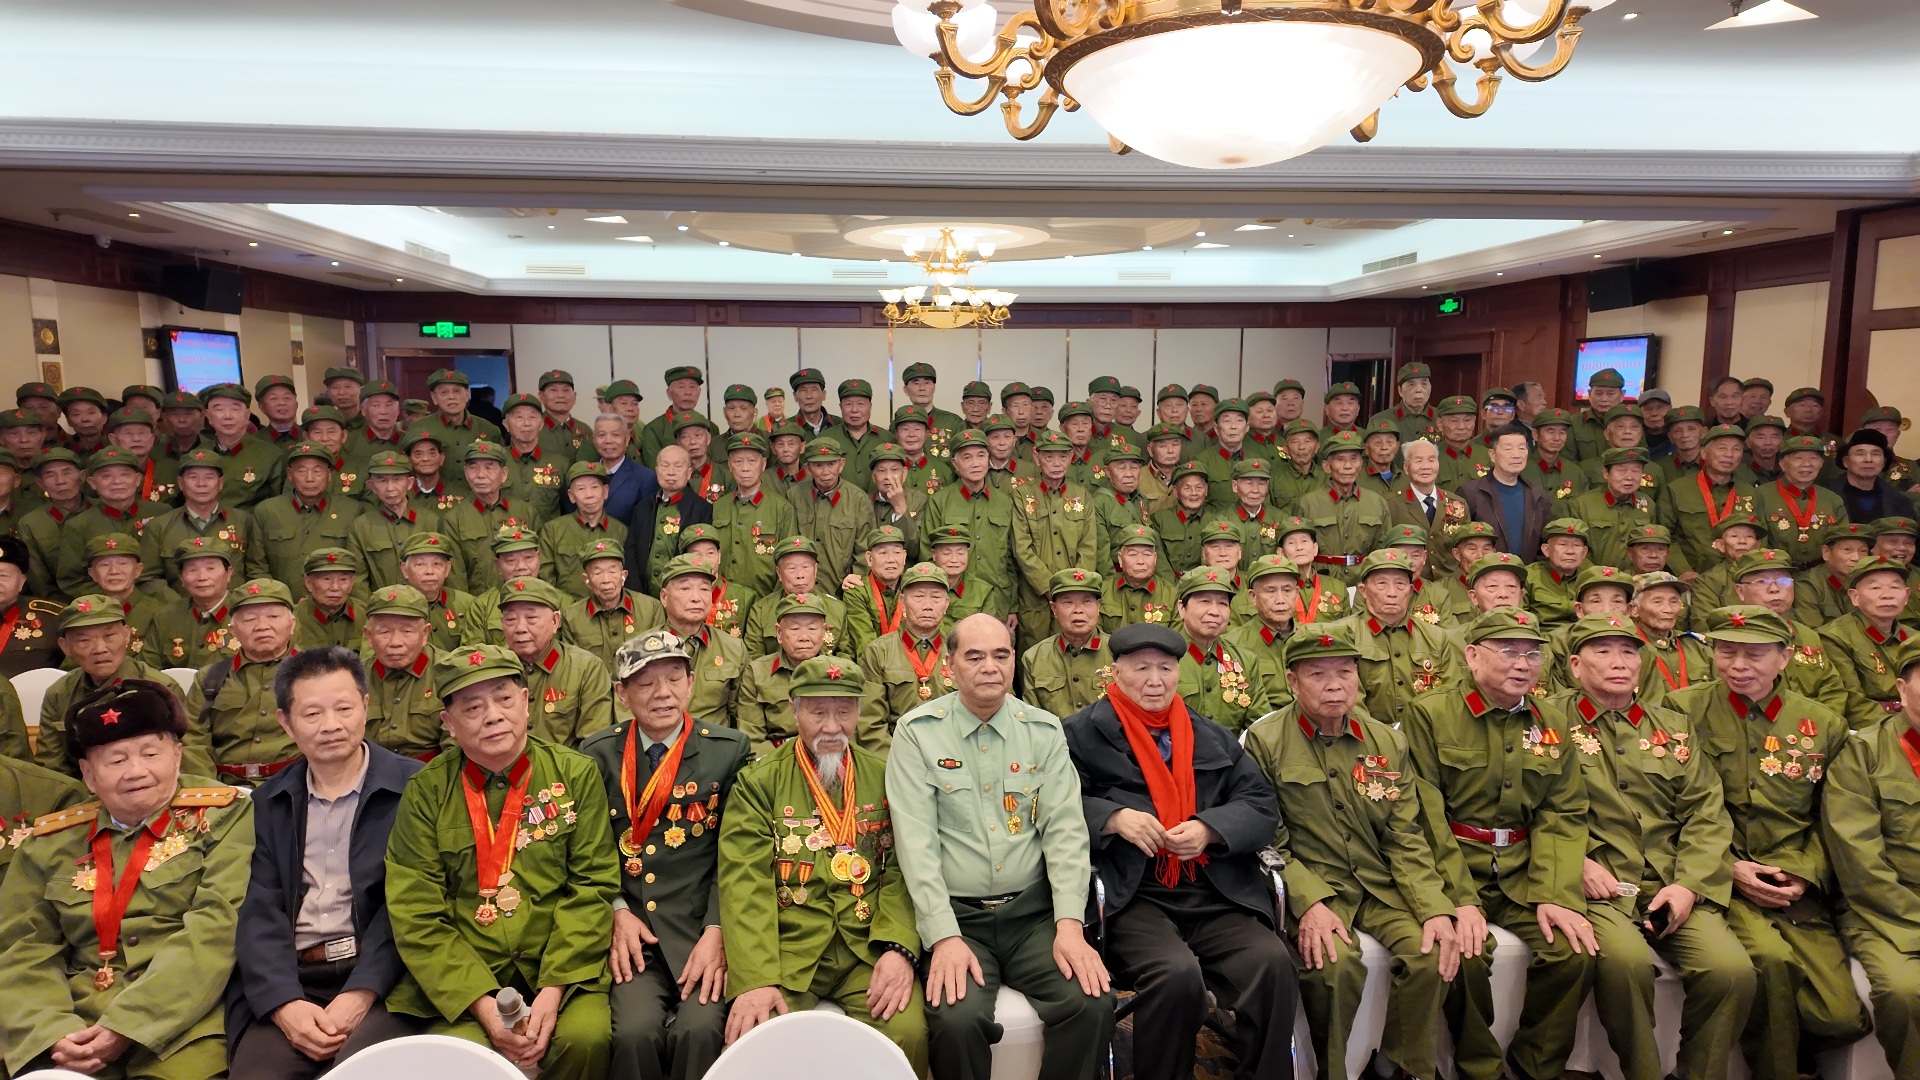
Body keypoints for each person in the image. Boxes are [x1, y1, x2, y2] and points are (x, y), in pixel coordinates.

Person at [1048, 620, 1296, 1080]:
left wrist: (1210, 829)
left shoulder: (1210, 734)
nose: (1154, 680)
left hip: (1211, 888)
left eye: (1165, 668)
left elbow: (1261, 804)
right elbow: (1054, 802)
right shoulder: (1077, 734)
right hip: (1132, 894)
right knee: (1176, 974)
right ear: (1116, 672)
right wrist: (1112, 818)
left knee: (1272, 963)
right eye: (1141, 668)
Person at [1242, 627, 1486, 1080]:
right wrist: (1309, 903)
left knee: (1432, 952)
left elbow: (1405, 834)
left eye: (1345, 672)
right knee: (1333, 967)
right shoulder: (1265, 740)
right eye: (1318, 675)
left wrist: (1433, 908)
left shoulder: (1386, 741)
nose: (1335, 685)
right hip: (1315, 884)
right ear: (1292, 682)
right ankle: (1332, 1072)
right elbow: (1266, 839)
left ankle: (1396, 1067)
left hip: (1378, 883)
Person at [886, 613, 1113, 1080]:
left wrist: (1070, 925)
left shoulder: (1043, 731)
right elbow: (916, 845)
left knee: (1091, 1003)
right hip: (959, 918)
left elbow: (1066, 833)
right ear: (949, 666)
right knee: (956, 1020)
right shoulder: (917, 732)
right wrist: (943, 937)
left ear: (1013, 660)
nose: (990, 667)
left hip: (1033, 917)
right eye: (974, 657)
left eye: (1000, 655)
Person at [382, 643, 616, 1078]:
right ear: (449, 723)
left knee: (586, 1038)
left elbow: (592, 885)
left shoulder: (575, 774)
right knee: (463, 1057)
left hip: (559, 967)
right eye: (472, 708)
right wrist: (481, 1003)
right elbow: (415, 911)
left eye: (504, 699)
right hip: (467, 976)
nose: (493, 716)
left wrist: (554, 987)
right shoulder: (427, 791)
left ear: (526, 702)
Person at [0, 679, 252, 1078]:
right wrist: (48, 1030)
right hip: (73, 1023)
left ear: (177, 755)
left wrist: (128, 1024)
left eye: (150, 753)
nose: (136, 771)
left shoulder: (224, 815)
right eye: (116, 761)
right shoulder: (50, 840)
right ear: (88, 774)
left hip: (185, 1025)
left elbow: (217, 928)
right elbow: (22, 946)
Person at [1545, 614, 1756, 1080]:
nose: (1619, 662)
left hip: (1668, 880)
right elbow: (1527, 807)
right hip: (1597, 885)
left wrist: (1689, 886)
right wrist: (1574, 861)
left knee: (1731, 972)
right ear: (1576, 666)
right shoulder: (1546, 723)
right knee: (1627, 965)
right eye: (1603, 652)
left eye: (1629, 651)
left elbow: (1706, 812)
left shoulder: (1673, 727)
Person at [1667, 606, 1869, 1080]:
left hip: (1794, 882)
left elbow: (1836, 816)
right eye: (1726, 651)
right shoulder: (1680, 709)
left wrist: (1805, 873)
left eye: (1754, 654)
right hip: (1721, 877)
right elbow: (1665, 805)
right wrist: (1726, 867)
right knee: (1769, 960)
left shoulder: (1822, 723)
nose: (1738, 665)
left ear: (1785, 657)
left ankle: (1796, 1051)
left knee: (1839, 1017)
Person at [1404, 607, 1596, 1080]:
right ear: (1472, 655)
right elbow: (1426, 816)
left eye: (1533, 654)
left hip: (1523, 871)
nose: (1523, 664)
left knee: (1573, 952)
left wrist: (1555, 893)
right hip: (1457, 866)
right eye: (1509, 651)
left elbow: (1563, 811)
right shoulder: (1430, 714)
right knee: (1464, 954)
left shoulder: (1551, 721)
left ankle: (1534, 1065)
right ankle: (1479, 1067)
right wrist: (1459, 899)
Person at [718, 654, 929, 1070]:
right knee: (758, 1043)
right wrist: (757, 978)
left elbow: (905, 869)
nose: (832, 727)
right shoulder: (759, 783)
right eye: (818, 713)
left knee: (908, 1032)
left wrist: (898, 948)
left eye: (844, 712)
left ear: (859, 712)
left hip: (866, 950)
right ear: (794, 710)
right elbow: (744, 883)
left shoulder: (885, 775)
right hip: (789, 953)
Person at [226, 648, 425, 1080]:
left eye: (344, 709)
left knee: (364, 1071)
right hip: (296, 979)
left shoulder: (416, 788)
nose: (331, 725)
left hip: (387, 979)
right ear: (286, 722)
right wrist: (284, 1003)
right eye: (312, 713)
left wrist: (363, 991)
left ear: (366, 707)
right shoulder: (267, 803)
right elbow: (257, 910)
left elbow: (411, 906)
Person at [579, 631, 751, 1080]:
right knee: (633, 1033)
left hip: (701, 930)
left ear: (691, 683)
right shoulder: (597, 754)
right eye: (645, 683)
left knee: (701, 1030)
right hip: (635, 935)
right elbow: (588, 852)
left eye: (674, 678)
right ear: (622, 693)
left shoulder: (727, 750)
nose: (662, 693)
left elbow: (737, 857)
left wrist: (718, 929)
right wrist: (616, 909)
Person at [1822, 637, 1920, 1078]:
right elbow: (1859, 863)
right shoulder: (1864, 752)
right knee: (1904, 991)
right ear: (1901, 689)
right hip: (1883, 911)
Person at [37, 593, 200, 778]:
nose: (100, 649)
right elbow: (51, 766)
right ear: (66, 647)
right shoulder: (59, 694)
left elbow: (184, 757)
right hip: (81, 790)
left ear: (126, 635)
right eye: (84, 640)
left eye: (109, 636)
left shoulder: (159, 688)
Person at [189, 579, 302, 787]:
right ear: (233, 630)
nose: (262, 627)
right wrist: (209, 789)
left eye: (273, 617)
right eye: (250, 619)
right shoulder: (210, 677)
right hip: (224, 787)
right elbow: (192, 738)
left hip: (297, 784)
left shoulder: (317, 673)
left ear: (292, 624)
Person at [1334, 548, 1458, 728]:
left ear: (1410, 590)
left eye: (1400, 584)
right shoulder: (1342, 635)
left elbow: (1451, 694)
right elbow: (1344, 702)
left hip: (1427, 733)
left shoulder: (1436, 638)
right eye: (1381, 584)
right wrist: (1383, 736)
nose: (1392, 592)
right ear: (1363, 590)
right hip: (1365, 735)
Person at [497, 576, 614, 747]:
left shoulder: (586, 668)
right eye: (511, 620)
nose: (520, 628)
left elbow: (593, 744)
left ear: (555, 621)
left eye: (531, 618)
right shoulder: (492, 669)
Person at [735, 592, 850, 760]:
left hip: (832, 756)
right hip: (776, 759)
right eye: (795, 629)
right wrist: (777, 767)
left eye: (812, 629)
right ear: (779, 633)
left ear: (824, 631)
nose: (804, 637)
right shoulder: (757, 672)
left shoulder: (843, 672)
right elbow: (752, 735)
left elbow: (854, 730)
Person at [648, 556, 749, 729]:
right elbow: (628, 713)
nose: (696, 598)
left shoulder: (733, 649)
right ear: (664, 597)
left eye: (704, 589)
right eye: (685, 588)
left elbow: (744, 716)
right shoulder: (641, 650)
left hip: (714, 742)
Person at [252, 442, 363, 596]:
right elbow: (257, 567)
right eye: (301, 471)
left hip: (334, 602)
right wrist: (276, 600)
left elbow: (358, 569)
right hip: (280, 604)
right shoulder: (267, 511)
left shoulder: (350, 511)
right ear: (290, 474)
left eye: (317, 471)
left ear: (329, 475)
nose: (309, 478)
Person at [1173, 566, 1273, 732]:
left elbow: (1261, 729)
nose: (1214, 612)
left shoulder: (1245, 661)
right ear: (1182, 608)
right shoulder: (1164, 659)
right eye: (1204, 601)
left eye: (1222, 603)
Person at [1817, 555, 1916, 722]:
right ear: (1854, 597)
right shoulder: (1836, 637)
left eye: (1895, 587)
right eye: (1875, 588)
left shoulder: (1914, 638)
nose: (1887, 595)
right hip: (1871, 727)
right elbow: (1854, 706)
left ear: (1906, 596)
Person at [359, 585, 448, 761]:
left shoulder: (448, 672)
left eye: (407, 631)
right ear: (369, 636)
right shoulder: (355, 678)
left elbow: (458, 743)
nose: (395, 642)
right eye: (384, 632)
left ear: (425, 634)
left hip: (432, 770)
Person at [1293, 430, 1390, 584]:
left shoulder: (1377, 502)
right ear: (1326, 466)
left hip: (1364, 582)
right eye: (1340, 459)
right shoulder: (1307, 503)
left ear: (1361, 464)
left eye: (1354, 459)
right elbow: (1297, 550)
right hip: (1321, 582)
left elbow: (1384, 550)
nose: (1348, 466)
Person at [1660, 424, 1758, 576]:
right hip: (1693, 576)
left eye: (1736, 449)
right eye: (1722, 448)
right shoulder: (1678, 490)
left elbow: (1760, 539)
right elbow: (1665, 536)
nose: (1729, 455)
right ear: (1704, 453)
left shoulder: (1750, 492)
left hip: (1740, 575)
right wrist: (1684, 571)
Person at [709, 431, 798, 597]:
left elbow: (789, 561)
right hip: (721, 600)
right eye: (738, 461)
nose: (745, 468)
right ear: (729, 465)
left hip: (764, 600)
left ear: (763, 464)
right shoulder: (718, 507)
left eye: (752, 461)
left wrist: (773, 603)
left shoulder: (781, 508)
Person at [1017, 569, 1114, 719]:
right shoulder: (1034, 657)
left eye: (1086, 602)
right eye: (1068, 603)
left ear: (1098, 606)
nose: (1078, 610)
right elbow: (1032, 719)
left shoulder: (1118, 652)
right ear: (1054, 609)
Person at [562, 538, 666, 675]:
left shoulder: (651, 608)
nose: (606, 580)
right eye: (597, 573)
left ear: (623, 576)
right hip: (594, 688)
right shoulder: (572, 616)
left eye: (612, 572)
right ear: (586, 580)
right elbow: (571, 667)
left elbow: (661, 661)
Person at [626, 444, 713, 595]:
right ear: (656, 470)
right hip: (644, 595)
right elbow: (631, 551)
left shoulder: (702, 509)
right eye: (665, 466)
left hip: (683, 594)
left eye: (678, 466)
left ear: (689, 473)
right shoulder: (643, 507)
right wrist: (636, 593)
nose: (671, 472)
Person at [1458, 423, 1551, 562]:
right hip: (1484, 571)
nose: (1516, 455)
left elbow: (1545, 543)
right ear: (1492, 455)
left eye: (1522, 448)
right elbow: (1459, 541)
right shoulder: (1470, 493)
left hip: (1527, 572)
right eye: (1508, 449)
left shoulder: (1538, 495)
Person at [540, 461, 629, 601]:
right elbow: (545, 579)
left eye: (594, 487)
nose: (589, 495)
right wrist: (567, 607)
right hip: (566, 609)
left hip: (611, 609)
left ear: (605, 491)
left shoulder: (621, 530)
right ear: (571, 495)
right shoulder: (553, 530)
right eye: (581, 489)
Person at [1823, 428, 1917, 524]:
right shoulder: (1825, 499)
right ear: (1846, 461)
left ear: (1884, 462)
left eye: (1875, 454)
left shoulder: (1900, 502)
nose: (1868, 459)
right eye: (1860, 454)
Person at [293, 548, 365, 652]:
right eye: (326, 579)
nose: (335, 588)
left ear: (352, 583)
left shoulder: (367, 616)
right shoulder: (292, 620)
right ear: (308, 582)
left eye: (343, 580)